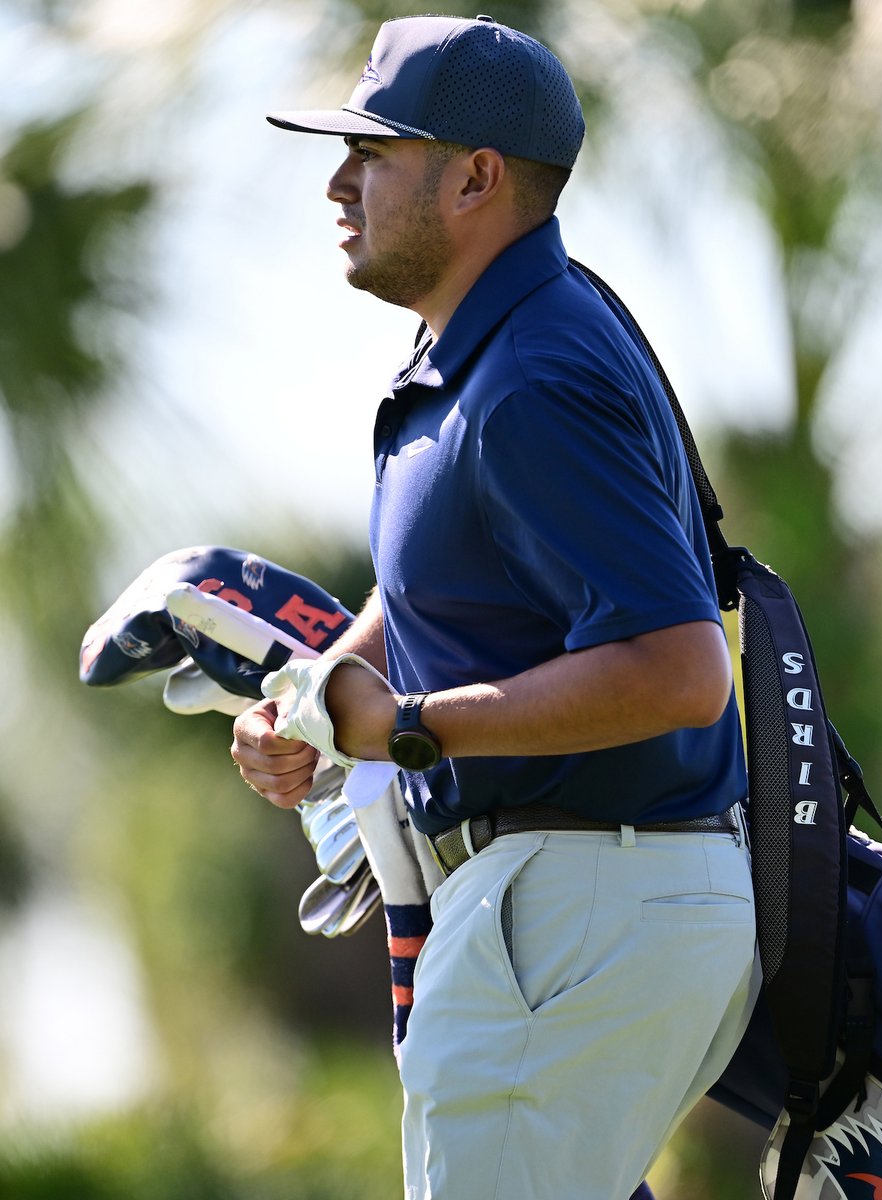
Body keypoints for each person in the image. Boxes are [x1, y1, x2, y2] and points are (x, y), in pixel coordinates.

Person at [232, 14, 759, 1200]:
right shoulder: (492, 350)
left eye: (374, 151)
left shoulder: (534, 374)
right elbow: (445, 586)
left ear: (476, 177)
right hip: (574, 906)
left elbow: (679, 669)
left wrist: (407, 725)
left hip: (578, 904)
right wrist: (322, 703)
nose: (337, 181)